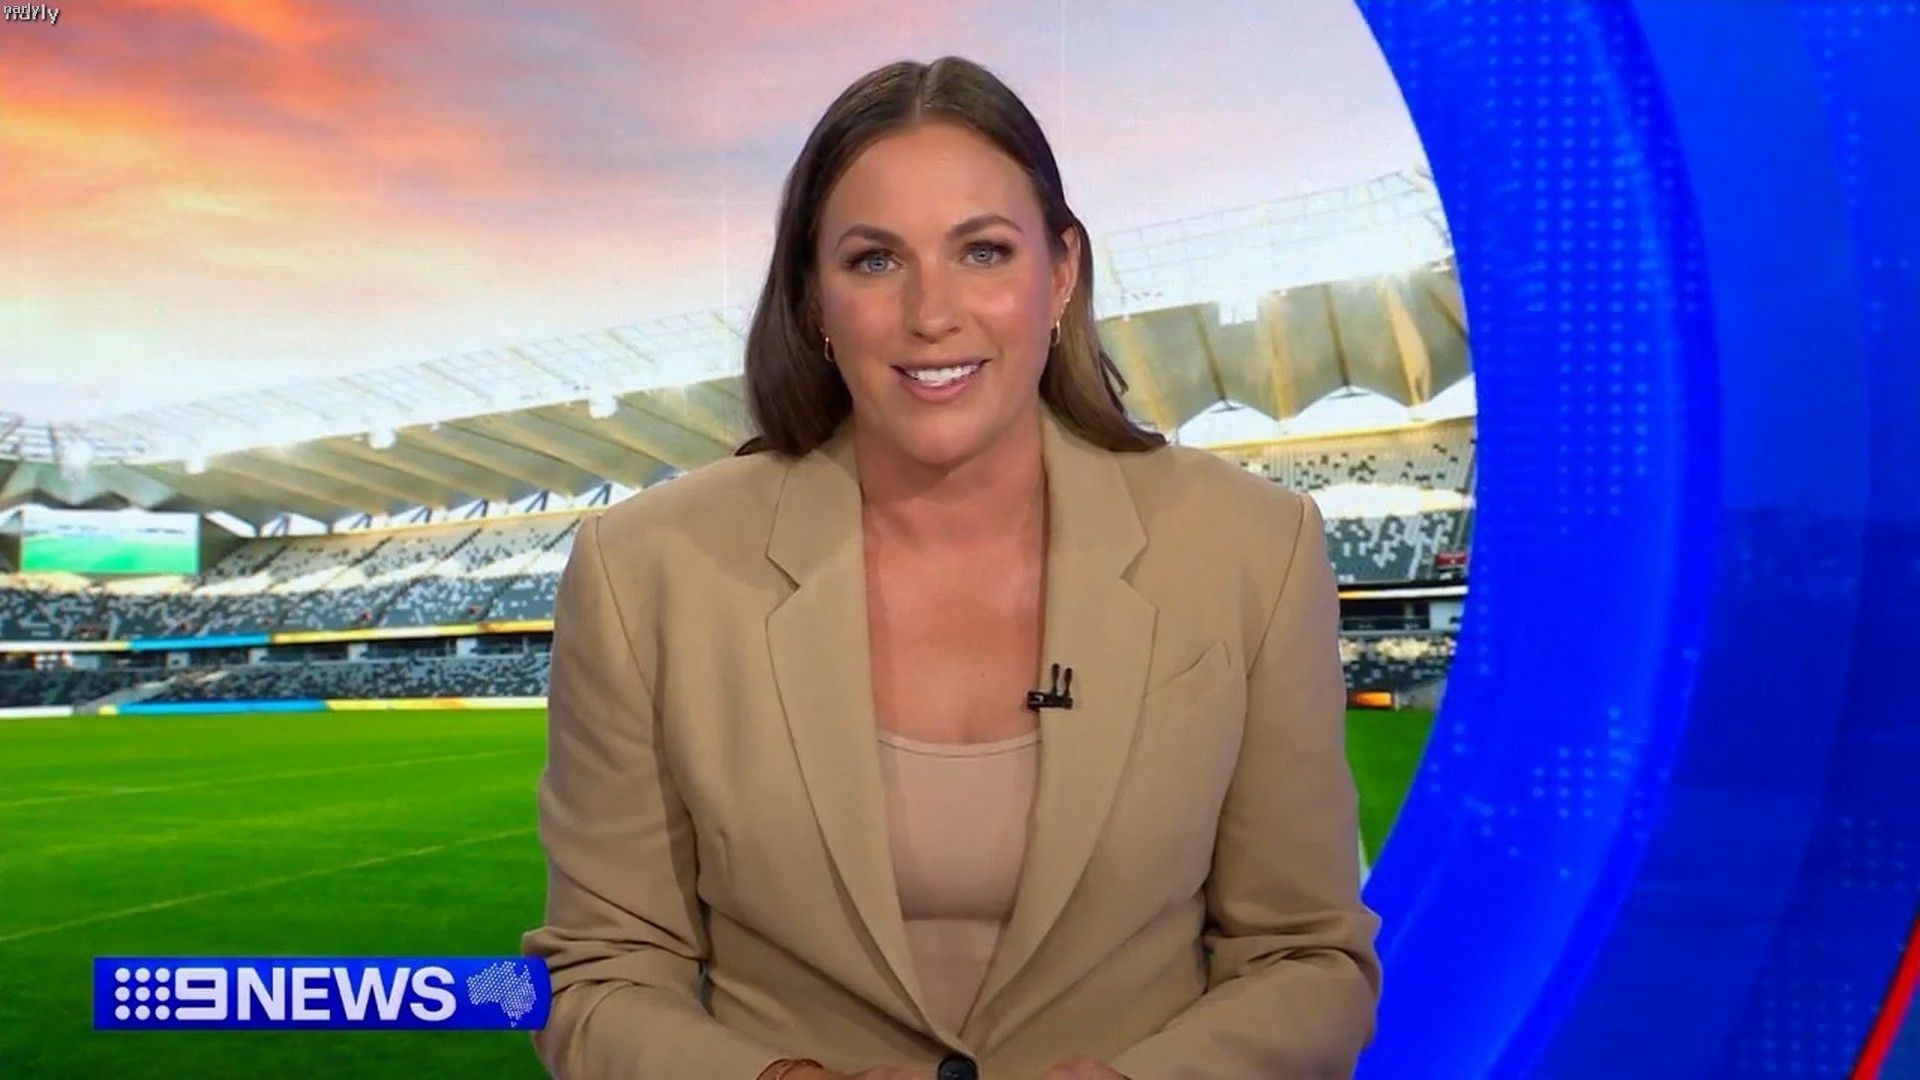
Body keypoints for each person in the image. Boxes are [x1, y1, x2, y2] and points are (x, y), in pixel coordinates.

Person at [523, 56, 1382, 1080]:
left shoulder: (1252, 546)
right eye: (874, 260)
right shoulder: (643, 572)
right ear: (813, 299)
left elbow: (1306, 959)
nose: (933, 314)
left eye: (983, 251)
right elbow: (599, 974)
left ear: (1060, 272)